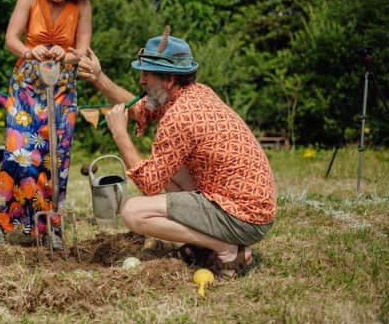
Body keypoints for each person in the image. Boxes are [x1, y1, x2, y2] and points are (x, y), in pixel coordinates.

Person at [76, 29, 277, 277]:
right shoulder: (195, 93)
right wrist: (98, 78)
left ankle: (226, 248)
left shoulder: (179, 117)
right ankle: (204, 243)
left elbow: (148, 184)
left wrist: (120, 134)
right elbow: (137, 108)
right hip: (251, 208)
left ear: (169, 80)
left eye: (146, 74)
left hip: (243, 218)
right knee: (171, 170)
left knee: (133, 212)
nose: (141, 81)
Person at [0, 0, 111, 248]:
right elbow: (10, 39)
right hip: (27, 86)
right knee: (19, 154)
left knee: (55, 160)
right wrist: (31, 51)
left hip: (63, 91)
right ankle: (1, 224)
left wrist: (67, 54)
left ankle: (51, 226)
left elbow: (82, 51)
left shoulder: (81, 5)